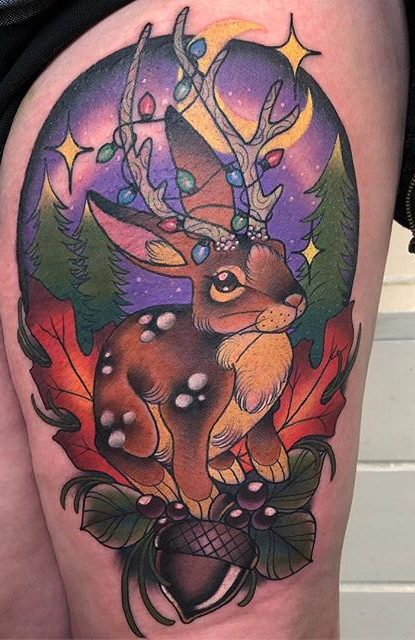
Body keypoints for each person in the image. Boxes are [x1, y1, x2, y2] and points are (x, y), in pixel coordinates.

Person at [0, 1, 411, 638]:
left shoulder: (258, 345)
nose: (287, 300)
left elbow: (249, 403)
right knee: (16, 602)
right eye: (230, 284)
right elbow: (190, 414)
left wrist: (251, 446)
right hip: (150, 425)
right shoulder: (204, 357)